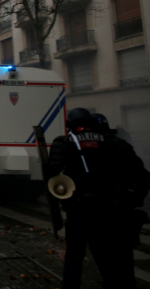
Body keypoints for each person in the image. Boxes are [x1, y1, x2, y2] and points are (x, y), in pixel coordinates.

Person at [50, 108, 150, 289]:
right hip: (109, 209)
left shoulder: (64, 143)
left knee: (74, 256)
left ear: (70, 125)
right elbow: (142, 176)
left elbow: (52, 173)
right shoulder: (114, 141)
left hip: (78, 210)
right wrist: (133, 201)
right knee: (108, 254)